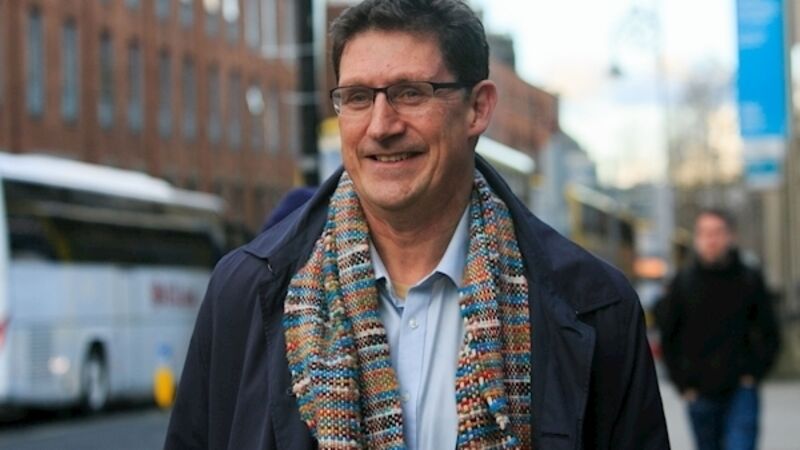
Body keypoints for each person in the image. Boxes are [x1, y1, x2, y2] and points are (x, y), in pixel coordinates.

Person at [164, 1, 668, 448]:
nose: (381, 126)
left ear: (478, 108)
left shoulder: (595, 307)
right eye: (357, 97)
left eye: (410, 93)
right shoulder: (246, 291)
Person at [655, 209, 781, 450]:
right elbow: (669, 336)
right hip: (699, 391)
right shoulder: (683, 282)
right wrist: (682, 383)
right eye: (704, 233)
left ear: (730, 236)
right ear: (696, 239)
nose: (711, 240)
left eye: (717, 232)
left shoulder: (749, 279)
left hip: (741, 389)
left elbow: (769, 331)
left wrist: (754, 373)